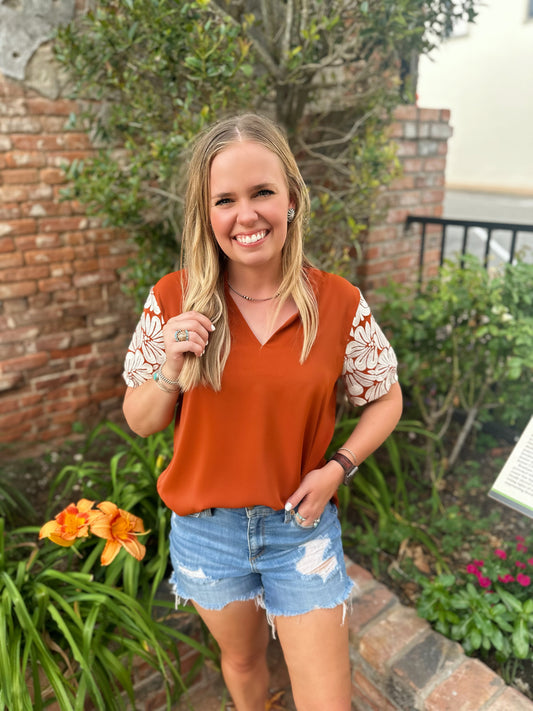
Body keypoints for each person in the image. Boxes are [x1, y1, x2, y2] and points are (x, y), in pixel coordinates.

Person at [122, 113, 402, 711]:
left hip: (298, 532)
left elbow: (385, 394)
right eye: (225, 199)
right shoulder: (171, 299)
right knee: (244, 662)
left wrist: (339, 469)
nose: (245, 215)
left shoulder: (339, 302)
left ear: (292, 200)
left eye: (262, 193)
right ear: (207, 214)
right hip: (206, 533)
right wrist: (171, 363)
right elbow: (142, 419)